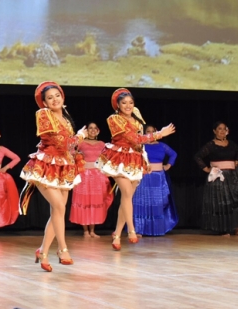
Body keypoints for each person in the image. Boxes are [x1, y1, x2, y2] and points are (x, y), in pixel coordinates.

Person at [20, 81, 87, 272]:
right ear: (44, 102)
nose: (54, 99)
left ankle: (42, 251)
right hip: (45, 166)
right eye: (49, 98)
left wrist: (77, 141)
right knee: (58, 206)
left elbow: (69, 147)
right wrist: (80, 136)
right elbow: (61, 143)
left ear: (62, 96)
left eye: (57, 95)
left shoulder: (65, 117)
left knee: (58, 211)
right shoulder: (43, 114)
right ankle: (62, 249)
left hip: (64, 167)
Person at [96, 88, 175, 251]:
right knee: (126, 195)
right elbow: (134, 138)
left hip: (134, 159)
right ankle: (132, 230)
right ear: (117, 105)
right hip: (118, 158)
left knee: (127, 198)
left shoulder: (136, 116)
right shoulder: (114, 119)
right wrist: (160, 134)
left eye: (131, 103)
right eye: (124, 103)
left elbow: (139, 141)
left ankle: (117, 234)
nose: (128, 105)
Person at [194, 121, 238, 236]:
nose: (222, 131)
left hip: (232, 176)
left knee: (236, 202)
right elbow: (198, 156)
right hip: (219, 177)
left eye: (224, 128)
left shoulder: (231, 144)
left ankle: (236, 228)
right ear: (214, 131)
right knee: (222, 203)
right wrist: (206, 169)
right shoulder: (211, 145)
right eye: (219, 129)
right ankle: (223, 229)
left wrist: (236, 161)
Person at [132, 124, 179, 236]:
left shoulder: (162, 146)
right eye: (148, 131)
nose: (151, 133)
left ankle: (157, 229)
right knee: (143, 203)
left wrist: (168, 165)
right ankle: (140, 230)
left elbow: (173, 154)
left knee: (158, 203)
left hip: (159, 177)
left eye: (153, 131)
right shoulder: (141, 146)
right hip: (144, 177)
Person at [69, 122, 114, 238]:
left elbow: (107, 158)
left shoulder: (102, 144)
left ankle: (92, 231)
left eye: (95, 128)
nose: (93, 130)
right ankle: (85, 231)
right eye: (90, 128)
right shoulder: (81, 143)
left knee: (95, 201)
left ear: (98, 130)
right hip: (84, 175)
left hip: (98, 176)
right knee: (84, 201)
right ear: (86, 130)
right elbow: (70, 152)